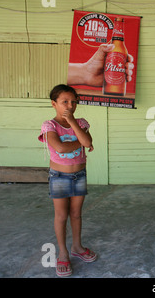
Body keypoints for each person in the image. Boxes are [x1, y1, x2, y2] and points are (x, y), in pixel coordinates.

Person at [38, 84, 97, 277]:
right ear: (54, 104)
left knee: (77, 214)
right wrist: (78, 141)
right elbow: (60, 149)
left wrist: (72, 123)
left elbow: (87, 143)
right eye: (64, 102)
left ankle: (77, 247)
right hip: (59, 176)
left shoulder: (81, 122)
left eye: (73, 102)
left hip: (79, 175)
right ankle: (63, 252)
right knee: (61, 216)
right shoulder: (49, 126)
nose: (70, 106)